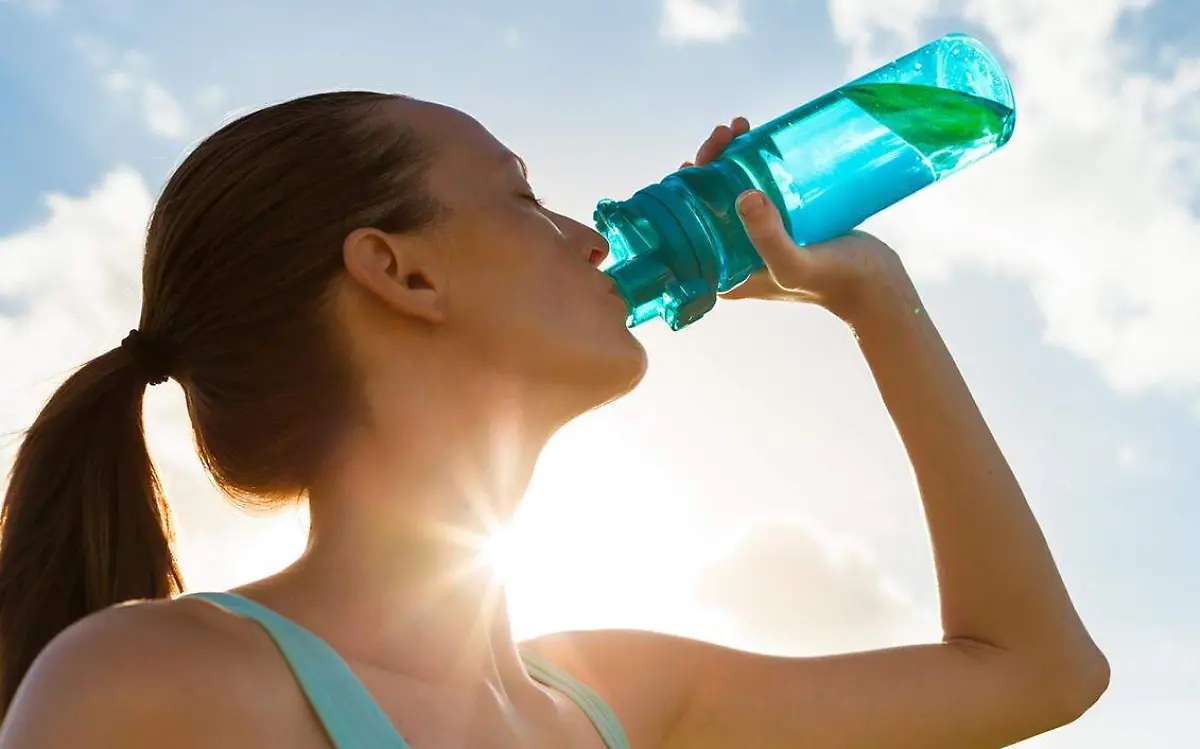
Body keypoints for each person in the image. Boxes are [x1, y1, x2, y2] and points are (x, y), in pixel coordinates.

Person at [0, 91, 1107, 749]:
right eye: (522, 196)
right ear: (401, 271)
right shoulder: (153, 683)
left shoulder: (613, 699)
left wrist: (872, 295)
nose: (587, 233)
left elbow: (1038, 671)